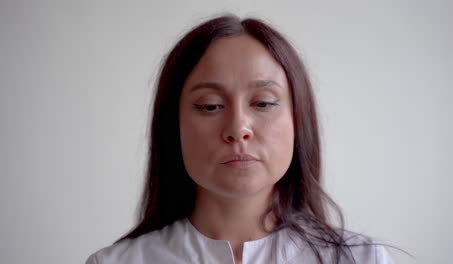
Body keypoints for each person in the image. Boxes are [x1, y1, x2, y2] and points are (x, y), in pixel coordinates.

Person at [85, 14, 394, 264]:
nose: (238, 128)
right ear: (172, 126)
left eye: (263, 103)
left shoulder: (363, 259)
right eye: (209, 106)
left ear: (299, 121)